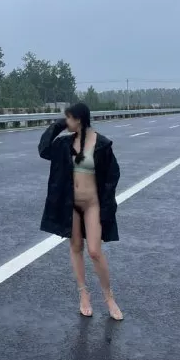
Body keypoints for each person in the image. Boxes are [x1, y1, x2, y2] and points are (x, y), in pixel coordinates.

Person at [38, 102, 124, 320]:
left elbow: (112, 175)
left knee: (94, 251)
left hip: (92, 204)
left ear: (79, 119)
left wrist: (107, 205)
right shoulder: (64, 143)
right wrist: (58, 125)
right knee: (76, 247)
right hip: (71, 205)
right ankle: (83, 294)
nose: (66, 121)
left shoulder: (101, 144)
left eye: (68, 118)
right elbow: (44, 149)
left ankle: (109, 297)